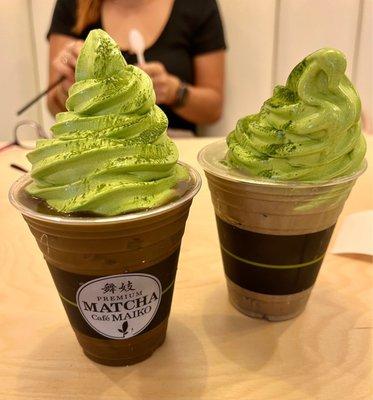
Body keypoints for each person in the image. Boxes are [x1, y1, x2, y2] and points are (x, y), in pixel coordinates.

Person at [47, 0, 226, 136]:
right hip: (92, 145)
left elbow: (213, 109)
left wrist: (174, 91)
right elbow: (54, 106)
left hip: (170, 146)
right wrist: (68, 89)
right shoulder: (73, 4)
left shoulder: (198, 5)